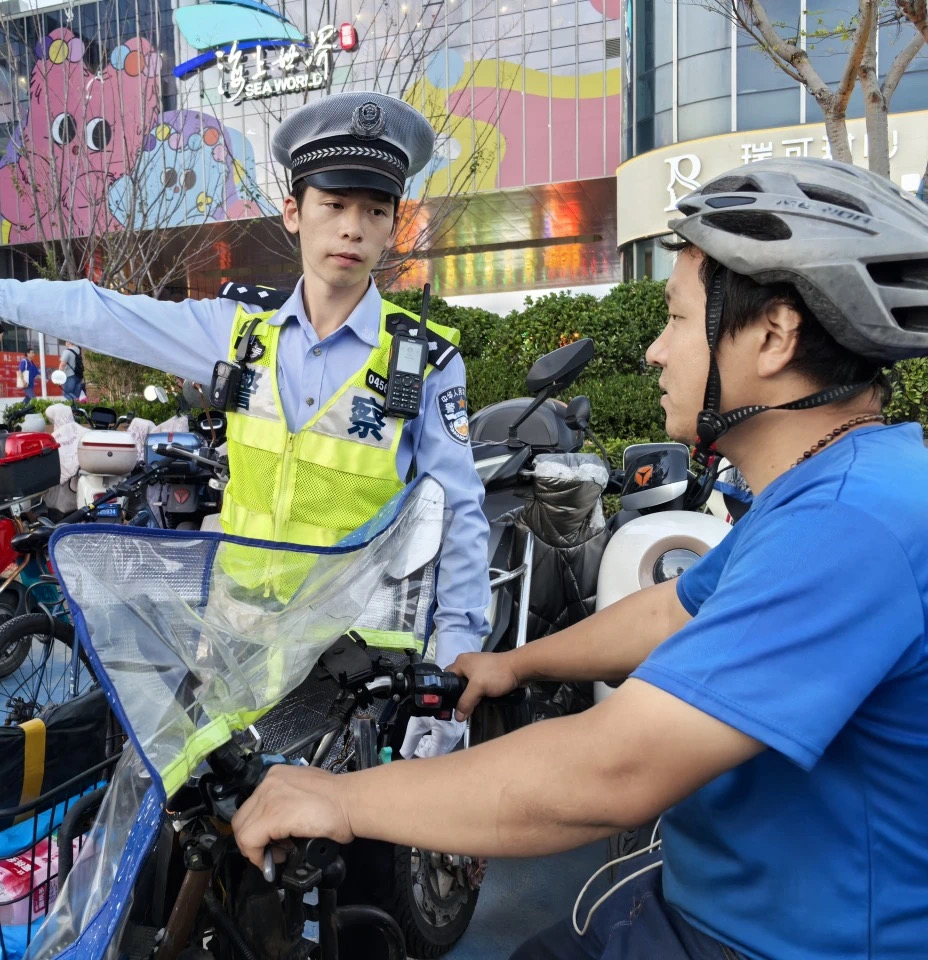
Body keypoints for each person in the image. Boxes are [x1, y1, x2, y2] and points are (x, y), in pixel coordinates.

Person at [224, 158, 928, 960]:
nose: (656, 352)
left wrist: (343, 802)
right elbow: (671, 610)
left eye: (675, 318)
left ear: (773, 337)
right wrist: (515, 665)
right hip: (711, 903)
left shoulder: (853, 526)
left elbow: (615, 770)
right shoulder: (830, 490)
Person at [0, 92, 490, 757]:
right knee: (211, 828)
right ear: (294, 212)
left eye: (374, 211)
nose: (352, 228)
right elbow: (102, 312)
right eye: (334, 205)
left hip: (361, 668)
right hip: (242, 646)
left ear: (393, 225)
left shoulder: (423, 360)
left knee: (341, 852)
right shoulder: (238, 333)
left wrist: (454, 673)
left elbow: (456, 516)